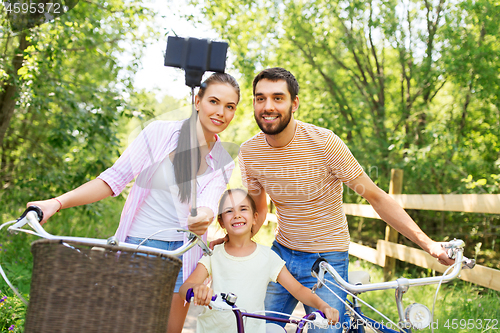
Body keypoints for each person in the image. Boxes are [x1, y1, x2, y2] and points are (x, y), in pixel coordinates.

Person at [237, 67, 455, 333]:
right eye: (260, 98)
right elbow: (259, 208)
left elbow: (376, 197)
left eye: (277, 98)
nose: (268, 106)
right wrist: (234, 242)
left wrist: (428, 243)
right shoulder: (249, 152)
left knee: (326, 330)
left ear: (295, 103)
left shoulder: (324, 143)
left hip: (326, 260)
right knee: (255, 326)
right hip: (282, 253)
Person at [27, 72, 241, 333]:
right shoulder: (159, 133)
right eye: (214, 102)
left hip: (183, 256)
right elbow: (113, 179)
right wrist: (56, 203)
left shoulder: (223, 161)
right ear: (197, 101)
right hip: (140, 246)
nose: (221, 112)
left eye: (230, 107)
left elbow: (208, 202)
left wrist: (203, 217)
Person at [179, 188, 339, 333]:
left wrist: (322, 305)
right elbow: (184, 287)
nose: (237, 215)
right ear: (221, 222)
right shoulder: (214, 254)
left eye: (243, 209)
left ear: (255, 218)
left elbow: (298, 290)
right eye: (229, 211)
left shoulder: (267, 257)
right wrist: (197, 290)